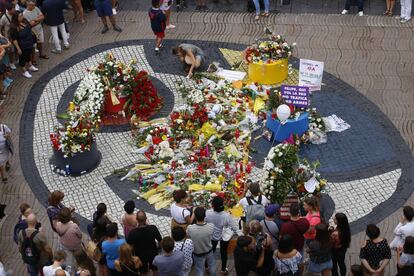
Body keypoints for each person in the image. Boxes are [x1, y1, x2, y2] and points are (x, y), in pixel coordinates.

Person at [206, 196, 238, 274]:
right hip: (224, 237)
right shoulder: (226, 215)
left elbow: (204, 221)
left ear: (213, 205)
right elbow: (234, 228)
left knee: (211, 251)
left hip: (212, 236)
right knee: (223, 253)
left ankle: (207, 267)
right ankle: (223, 269)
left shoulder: (208, 213)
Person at [126, 210, 162, 275]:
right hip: (153, 253)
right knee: (155, 269)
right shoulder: (153, 228)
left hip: (140, 256)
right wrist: (159, 249)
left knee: (143, 272)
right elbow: (160, 241)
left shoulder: (133, 233)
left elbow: (129, 246)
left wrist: (132, 256)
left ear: (136, 219)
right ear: (146, 218)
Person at [187, 207, 216, 276]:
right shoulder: (211, 226)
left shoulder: (190, 228)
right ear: (205, 216)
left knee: (199, 269)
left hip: (197, 252)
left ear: (195, 217)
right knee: (212, 266)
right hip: (209, 250)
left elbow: (188, 236)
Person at [9, 12, 38, 79]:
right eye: (20, 16)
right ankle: (24, 71)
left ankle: (30, 65)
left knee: (28, 54)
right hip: (22, 45)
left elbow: (30, 28)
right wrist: (18, 48)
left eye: (22, 15)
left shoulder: (24, 21)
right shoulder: (14, 27)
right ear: (16, 18)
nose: (22, 16)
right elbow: (14, 39)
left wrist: (34, 34)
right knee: (22, 57)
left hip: (29, 42)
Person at [56, 207, 83, 272]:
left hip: (65, 246)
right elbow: (80, 235)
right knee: (79, 258)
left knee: (69, 261)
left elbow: (59, 234)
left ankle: (69, 271)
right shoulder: (74, 226)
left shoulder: (58, 225)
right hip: (76, 245)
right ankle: (79, 270)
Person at [0, 3, 18, 70]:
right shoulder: (4, 17)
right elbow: (0, 26)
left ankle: (17, 59)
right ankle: (11, 62)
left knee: (16, 48)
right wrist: (2, 36)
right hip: (8, 37)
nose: (15, 10)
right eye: (13, 9)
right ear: (9, 10)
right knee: (11, 50)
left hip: (16, 35)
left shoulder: (15, 14)